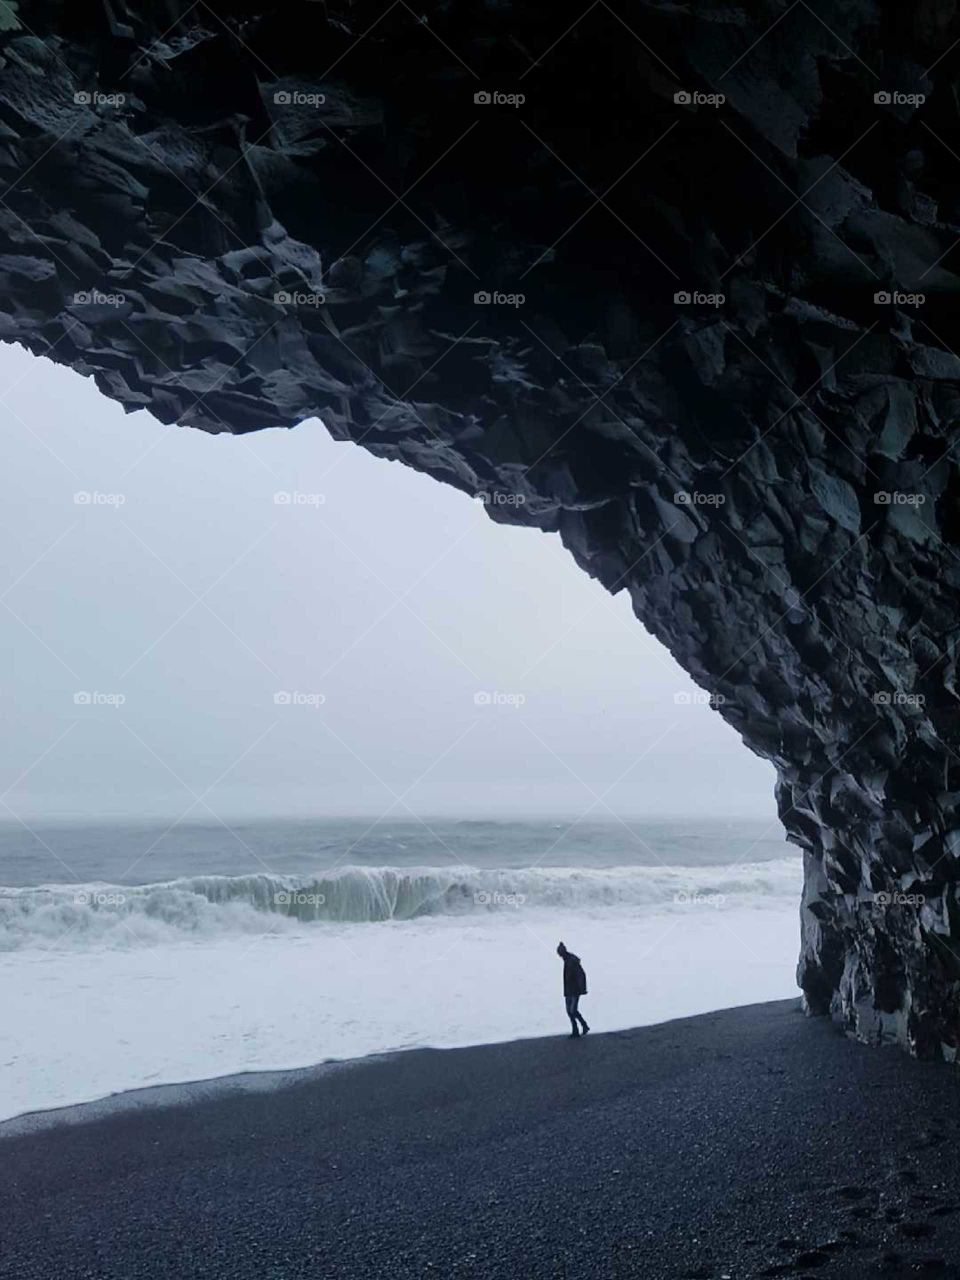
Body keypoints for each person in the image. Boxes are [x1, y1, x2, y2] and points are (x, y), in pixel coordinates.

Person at [557, 941, 590, 1038]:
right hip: (568, 990)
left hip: (574, 990)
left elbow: (581, 975)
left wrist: (582, 989)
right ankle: (576, 1030)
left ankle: (583, 1026)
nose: (559, 955)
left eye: (560, 953)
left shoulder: (571, 961)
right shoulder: (567, 960)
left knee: (572, 1010)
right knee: (569, 1011)